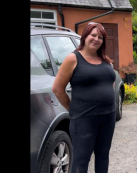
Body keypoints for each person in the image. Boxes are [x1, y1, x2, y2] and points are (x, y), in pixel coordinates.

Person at [52, 22, 116, 173]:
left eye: (100, 37)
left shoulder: (105, 59)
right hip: (84, 118)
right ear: (85, 36)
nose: (96, 39)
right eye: (93, 35)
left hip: (108, 116)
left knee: (103, 156)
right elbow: (57, 89)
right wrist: (73, 109)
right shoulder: (73, 59)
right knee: (82, 158)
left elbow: (110, 82)